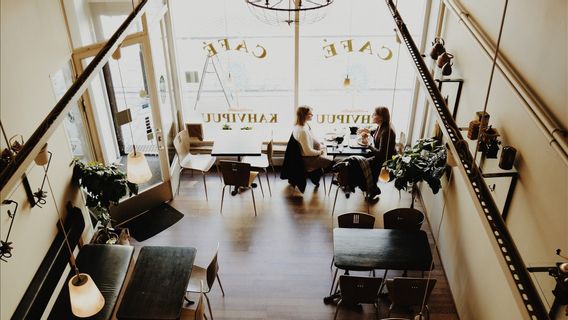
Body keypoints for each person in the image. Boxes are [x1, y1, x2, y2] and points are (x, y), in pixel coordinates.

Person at [292, 105, 334, 186]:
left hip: (311, 155)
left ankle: (315, 174)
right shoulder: (302, 131)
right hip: (308, 159)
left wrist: (320, 145)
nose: (312, 115)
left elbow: (311, 138)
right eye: (310, 114)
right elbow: (307, 152)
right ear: (304, 115)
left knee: (329, 157)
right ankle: (314, 173)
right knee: (334, 164)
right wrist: (319, 152)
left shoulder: (304, 125)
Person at [358, 106, 397, 180]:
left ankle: (369, 183)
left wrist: (368, 145)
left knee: (359, 163)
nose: (372, 115)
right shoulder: (382, 126)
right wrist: (367, 130)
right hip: (379, 155)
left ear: (381, 117)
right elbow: (376, 132)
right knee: (359, 157)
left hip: (384, 160)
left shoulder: (386, 132)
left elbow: (381, 155)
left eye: (375, 114)